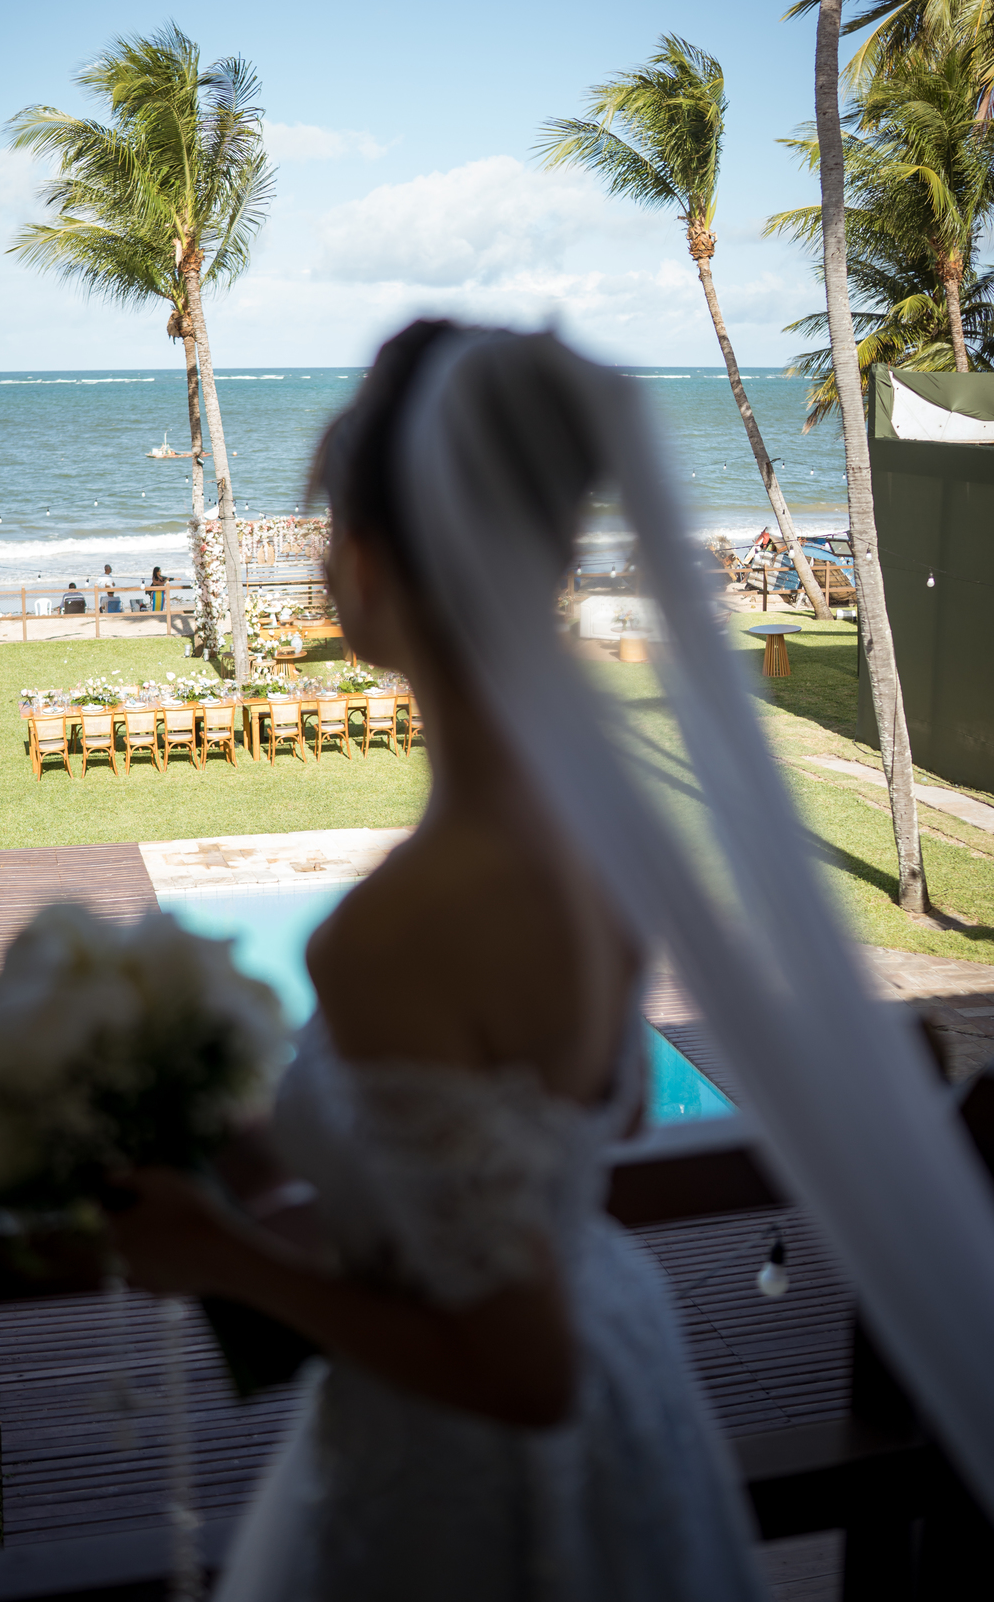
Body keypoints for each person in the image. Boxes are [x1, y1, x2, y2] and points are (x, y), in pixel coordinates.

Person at [110, 322, 769, 1600]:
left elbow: (519, 1372)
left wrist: (229, 1257)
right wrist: (281, 1144)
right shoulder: (605, 836)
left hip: (473, 1495)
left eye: (321, 531)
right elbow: (584, 1119)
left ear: (367, 565)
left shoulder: (393, 933)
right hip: (633, 1383)